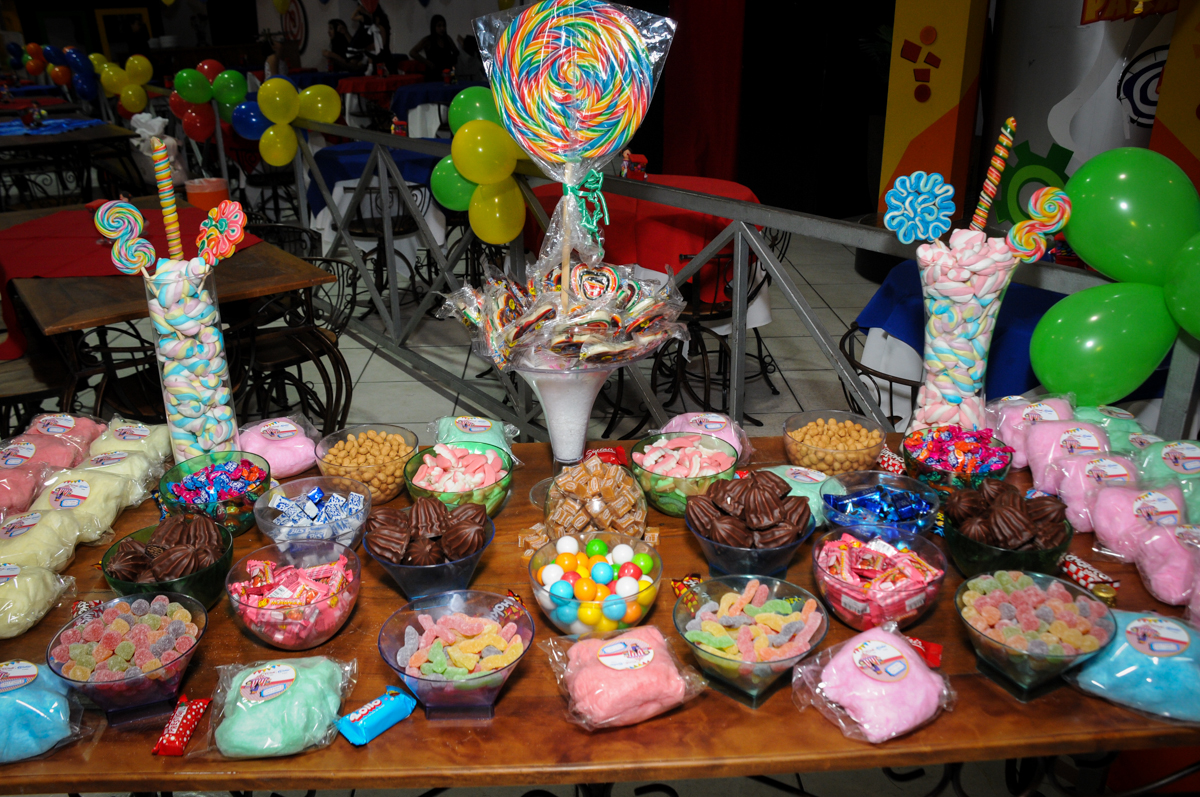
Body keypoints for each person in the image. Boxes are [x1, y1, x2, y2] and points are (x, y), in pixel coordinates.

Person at [410, 15, 458, 81]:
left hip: (447, 74)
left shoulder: (447, 39)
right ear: (434, 27)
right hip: (433, 75)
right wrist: (427, 62)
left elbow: (456, 52)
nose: (442, 28)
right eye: (439, 26)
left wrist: (452, 67)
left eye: (444, 26)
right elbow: (412, 52)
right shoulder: (428, 40)